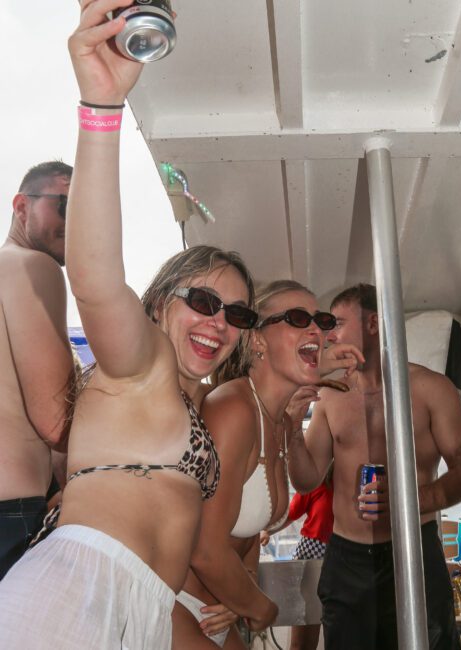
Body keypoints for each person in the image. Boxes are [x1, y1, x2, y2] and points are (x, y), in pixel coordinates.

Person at [0, 3, 257, 648]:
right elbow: (93, 276)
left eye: (237, 314)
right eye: (202, 300)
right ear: (163, 300)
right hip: (72, 597)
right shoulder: (142, 363)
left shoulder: (191, 401)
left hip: (141, 605)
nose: (218, 322)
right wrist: (102, 108)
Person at [287, 283, 461, 650]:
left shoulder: (432, 389)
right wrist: (290, 429)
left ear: (374, 323)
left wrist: (412, 500)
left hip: (412, 550)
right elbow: (307, 478)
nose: (330, 335)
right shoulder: (330, 395)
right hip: (346, 557)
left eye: (339, 324)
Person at [172, 280, 361, 649]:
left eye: (320, 321)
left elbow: (251, 531)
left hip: (215, 610)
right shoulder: (235, 409)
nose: (315, 329)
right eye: (296, 318)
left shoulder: (272, 419)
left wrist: (240, 591)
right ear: (257, 340)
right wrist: (262, 608)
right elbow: (204, 547)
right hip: (175, 601)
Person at [0, 160, 75, 579]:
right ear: (21, 206)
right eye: (64, 204)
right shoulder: (34, 267)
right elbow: (56, 420)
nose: (76, 220)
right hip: (13, 516)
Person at [260, 469, 334, 650]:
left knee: (339, 634)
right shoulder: (316, 482)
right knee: (304, 640)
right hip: (311, 559)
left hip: (341, 557)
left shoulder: (355, 483)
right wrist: (267, 531)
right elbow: (290, 513)